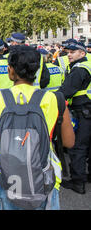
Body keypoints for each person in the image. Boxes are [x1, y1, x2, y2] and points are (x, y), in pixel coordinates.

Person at [0, 45, 75, 210]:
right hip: (43, 173)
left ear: (10, 70)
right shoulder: (55, 99)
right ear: (36, 70)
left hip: (7, 173)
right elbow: (69, 142)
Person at [58, 40, 91, 194]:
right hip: (87, 110)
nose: (68, 55)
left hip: (82, 112)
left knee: (77, 146)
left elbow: (65, 91)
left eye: (72, 52)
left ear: (82, 53)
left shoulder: (79, 70)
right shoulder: (87, 65)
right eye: (68, 52)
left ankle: (78, 182)